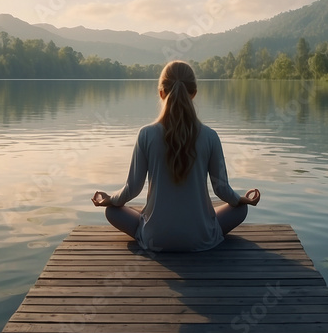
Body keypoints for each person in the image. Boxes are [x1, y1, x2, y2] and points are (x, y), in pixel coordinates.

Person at [92, 60, 261, 252]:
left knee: (112, 211)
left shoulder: (146, 135)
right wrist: (241, 199)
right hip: (200, 239)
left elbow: (132, 189)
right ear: (194, 93)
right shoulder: (210, 136)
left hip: (155, 239)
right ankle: (199, 223)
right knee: (240, 209)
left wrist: (110, 199)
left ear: (161, 93)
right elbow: (222, 189)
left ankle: (152, 222)